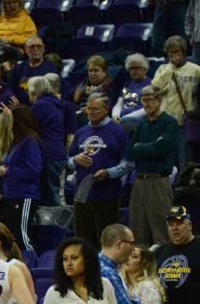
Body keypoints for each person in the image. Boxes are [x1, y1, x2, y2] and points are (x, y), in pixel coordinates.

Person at [69, 94, 131, 248]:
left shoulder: (118, 132)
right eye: (89, 108)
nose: (91, 112)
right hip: (82, 194)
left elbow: (128, 163)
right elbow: (68, 161)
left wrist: (109, 173)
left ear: (105, 110)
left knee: (106, 241)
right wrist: (75, 160)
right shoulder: (81, 132)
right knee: (82, 241)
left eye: (95, 109)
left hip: (107, 194)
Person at [126, 85, 179, 247]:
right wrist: (147, 148)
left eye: (150, 99)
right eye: (143, 100)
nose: (146, 103)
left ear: (160, 100)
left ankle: (164, 270)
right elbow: (130, 153)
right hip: (139, 182)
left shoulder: (170, 122)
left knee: (162, 234)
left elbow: (160, 149)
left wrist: (140, 147)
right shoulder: (142, 125)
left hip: (159, 182)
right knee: (138, 234)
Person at [0, 106, 42, 251]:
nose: (9, 123)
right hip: (13, 194)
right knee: (13, 237)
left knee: (22, 236)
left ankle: (31, 269)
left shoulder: (30, 140)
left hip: (25, 195)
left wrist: (8, 170)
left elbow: (33, 170)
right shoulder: (19, 141)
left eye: (11, 119)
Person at [152, 35, 200, 163]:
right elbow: (155, 89)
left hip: (187, 121)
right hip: (166, 121)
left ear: (183, 52)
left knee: (185, 159)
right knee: (167, 159)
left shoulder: (195, 69)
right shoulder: (163, 69)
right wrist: (169, 68)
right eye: (171, 53)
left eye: (177, 52)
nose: (174, 56)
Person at [29, 75, 67, 207]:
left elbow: (27, 128)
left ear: (35, 91)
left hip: (48, 155)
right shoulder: (54, 104)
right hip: (57, 154)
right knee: (55, 195)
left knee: (51, 199)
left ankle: (57, 227)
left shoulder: (40, 105)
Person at [8, 35, 58, 104]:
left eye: (39, 46)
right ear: (25, 49)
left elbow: (53, 94)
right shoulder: (18, 68)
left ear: (44, 48)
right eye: (32, 47)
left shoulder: (51, 68)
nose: (35, 49)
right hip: (20, 108)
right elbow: (11, 89)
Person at [113, 54, 152, 132]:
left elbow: (147, 109)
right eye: (131, 68)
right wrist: (115, 115)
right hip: (122, 119)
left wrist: (125, 118)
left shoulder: (151, 84)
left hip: (141, 120)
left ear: (145, 69)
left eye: (137, 67)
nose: (134, 71)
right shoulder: (127, 84)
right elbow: (119, 104)